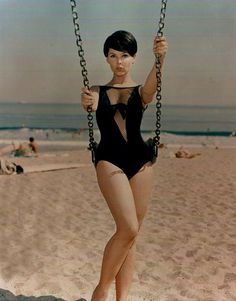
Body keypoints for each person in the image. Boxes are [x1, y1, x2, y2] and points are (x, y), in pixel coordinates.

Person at [81, 30, 168, 301]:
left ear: (134, 59)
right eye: (113, 56)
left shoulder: (141, 92)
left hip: (141, 163)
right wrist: (87, 102)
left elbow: (152, 88)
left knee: (132, 237)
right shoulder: (97, 91)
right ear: (107, 59)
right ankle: (101, 290)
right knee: (127, 227)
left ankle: (123, 299)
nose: (119, 62)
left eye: (125, 56)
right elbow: (90, 102)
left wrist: (160, 57)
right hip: (109, 160)